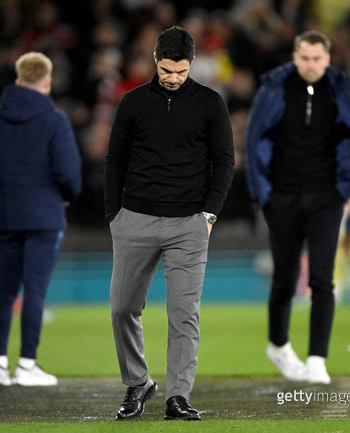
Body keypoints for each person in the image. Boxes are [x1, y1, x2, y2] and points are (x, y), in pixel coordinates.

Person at [104, 26, 234, 421]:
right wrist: (114, 215)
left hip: (189, 225)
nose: (173, 77)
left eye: (180, 71)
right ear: (154, 61)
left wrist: (208, 215)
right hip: (134, 220)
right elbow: (115, 159)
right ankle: (138, 382)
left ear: (191, 64)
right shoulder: (132, 103)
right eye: (166, 70)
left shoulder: (210, 103)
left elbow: (224, 161)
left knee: (183, 315)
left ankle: (178, 396)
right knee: (122, 309)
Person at [246, 30, 350, 384]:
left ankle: (317, 359)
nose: (311, 64)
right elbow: (254, 141)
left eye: (317, 58)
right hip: (282, 197)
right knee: (284, 279)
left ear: (327, 59)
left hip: (327, 198)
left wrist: (345, 189)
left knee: (322, 279)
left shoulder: (340, 91)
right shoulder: (273, 90)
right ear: (295, 57)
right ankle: (279, 346)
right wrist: (264, 194)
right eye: (305, 58)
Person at [0, 52, 81, 387]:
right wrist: (64, 195)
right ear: (47, 82)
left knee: (4, 292)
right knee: (35, 291)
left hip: (9, 215)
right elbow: (68, 173)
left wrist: (6, 193)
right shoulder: (55, 120)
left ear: (18, 79)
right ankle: (26, 365)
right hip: (45, 216)